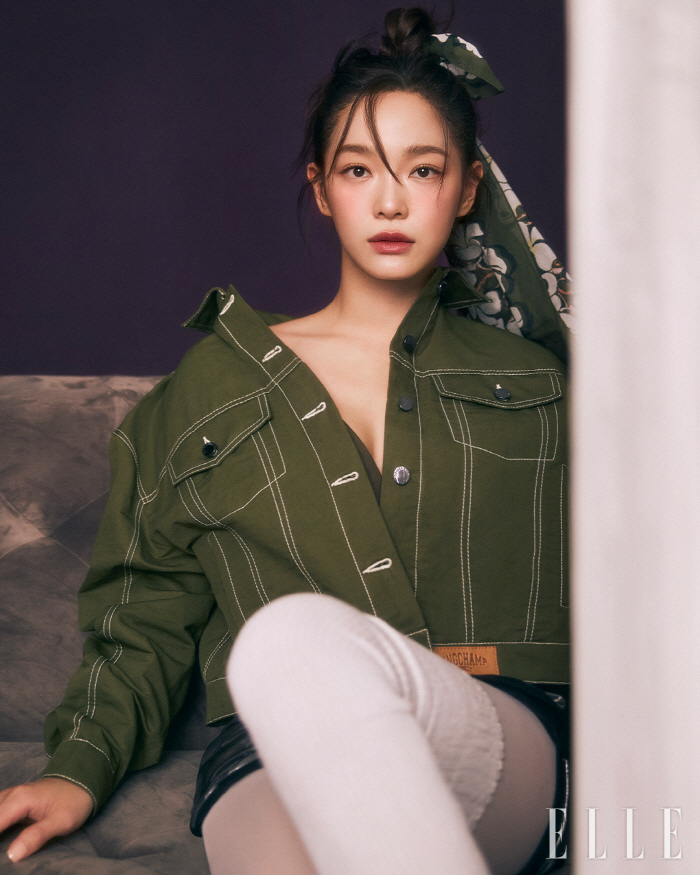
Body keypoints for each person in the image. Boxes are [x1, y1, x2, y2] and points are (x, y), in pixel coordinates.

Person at [0, 8, 572, 874]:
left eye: (422, 169)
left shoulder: (541, 382)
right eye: (357, 168)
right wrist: (77, 767)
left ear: (466, 189)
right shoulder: (204, 392)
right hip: (265, 758)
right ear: (321, 186)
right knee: (286, 664)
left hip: (494, 727)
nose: (389, 201)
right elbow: (142, 619)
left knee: (287, 637)